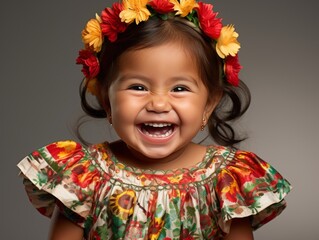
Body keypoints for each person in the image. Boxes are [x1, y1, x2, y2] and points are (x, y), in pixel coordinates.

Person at [17, 0, 291, 239]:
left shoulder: (225, 181)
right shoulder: (85, 177)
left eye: (179, 88)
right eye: (138, 87)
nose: (158, 103)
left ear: (209, 104)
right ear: (105, 99)